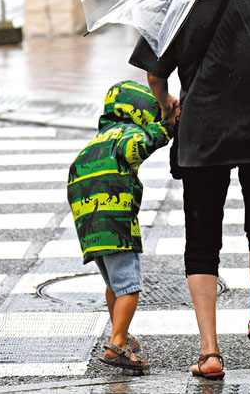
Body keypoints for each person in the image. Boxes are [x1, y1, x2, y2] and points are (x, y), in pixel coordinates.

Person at [129, 0, 250, 379]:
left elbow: (156, 74)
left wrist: (166, 103)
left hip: (204, 129)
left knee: (202, 238)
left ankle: (210, 354)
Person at [67, 80, 175, 374]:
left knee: (113, 284)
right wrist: (166, 128)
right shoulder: (128, 133)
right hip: (116, 223)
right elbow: (137, 147)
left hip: (88, 224)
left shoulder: (97, 140)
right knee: (129, 285)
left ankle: (122, 332)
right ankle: (116, 344)